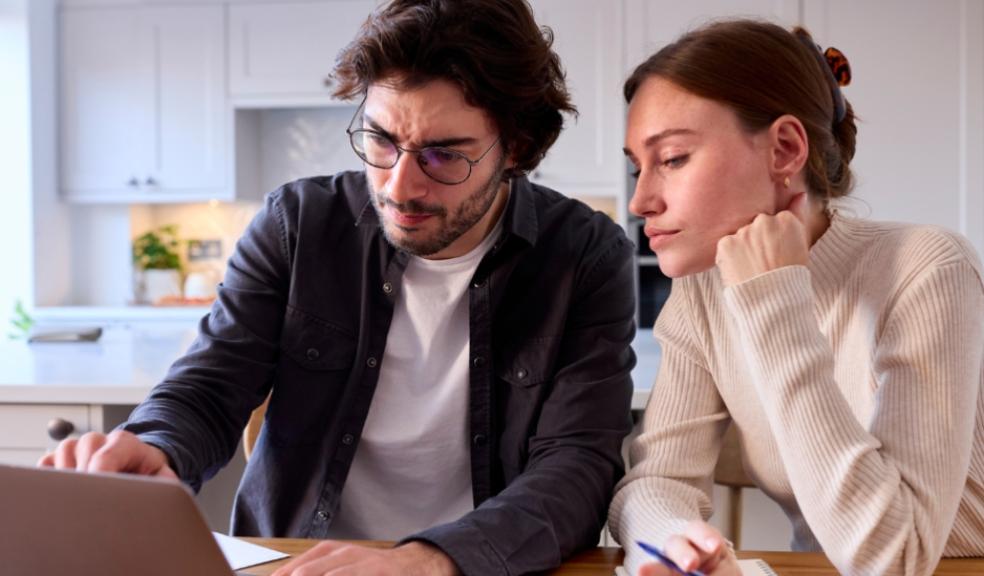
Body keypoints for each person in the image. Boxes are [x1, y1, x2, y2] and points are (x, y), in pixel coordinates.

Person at [39, 1, 637, 574]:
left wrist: (430, 562)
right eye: (380, 140)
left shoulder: (585, 256)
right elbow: (211, 383)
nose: (399, 187)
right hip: (296, 560)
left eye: (443, 155)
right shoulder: (297, 225)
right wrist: (155, 444)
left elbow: (577, 466)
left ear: (518, 148)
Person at [609, 18, 984, 576]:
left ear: (784, 149)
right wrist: (677, 546)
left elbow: (897, 556)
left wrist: (774, 298)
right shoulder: (702, 292)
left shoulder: (927, 268)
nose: (640, 200)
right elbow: (657, 480)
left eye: (673, 159)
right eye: (637, 166)